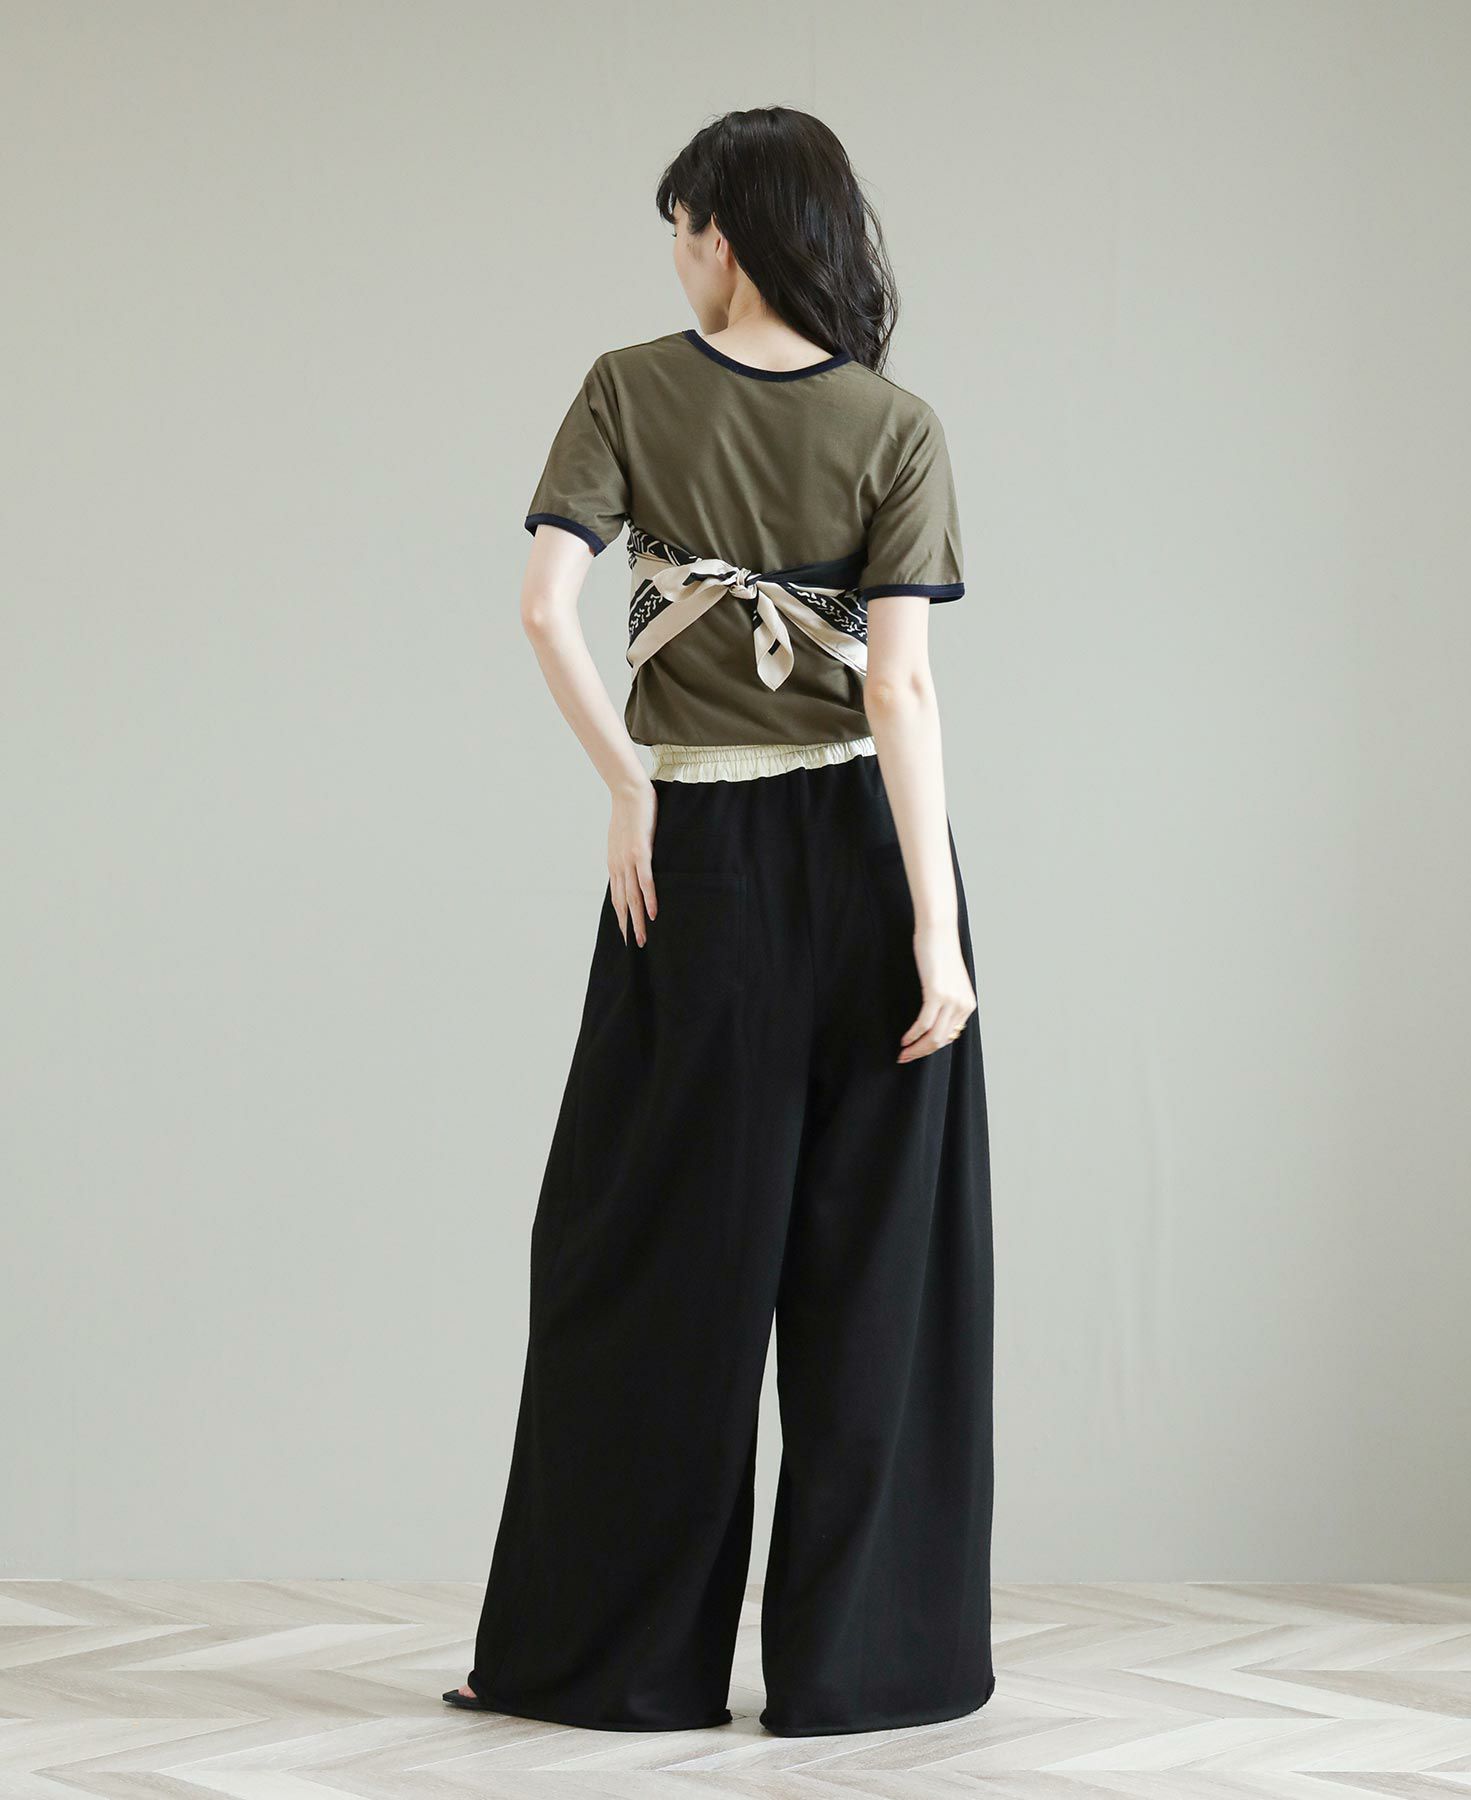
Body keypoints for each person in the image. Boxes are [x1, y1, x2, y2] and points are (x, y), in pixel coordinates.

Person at [443, 105, 995, 1737]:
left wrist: (630, 787)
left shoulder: (627, 387)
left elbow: (544, 609)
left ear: (724, 237)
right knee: (878, 1271)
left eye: (682, 231)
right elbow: (899, 690)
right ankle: (870, 1669)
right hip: (873, 856)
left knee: (648, 1261)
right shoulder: (898, 425)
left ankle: (604, 1662)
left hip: (697, 859)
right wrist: (938, 929)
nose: (677, 261)